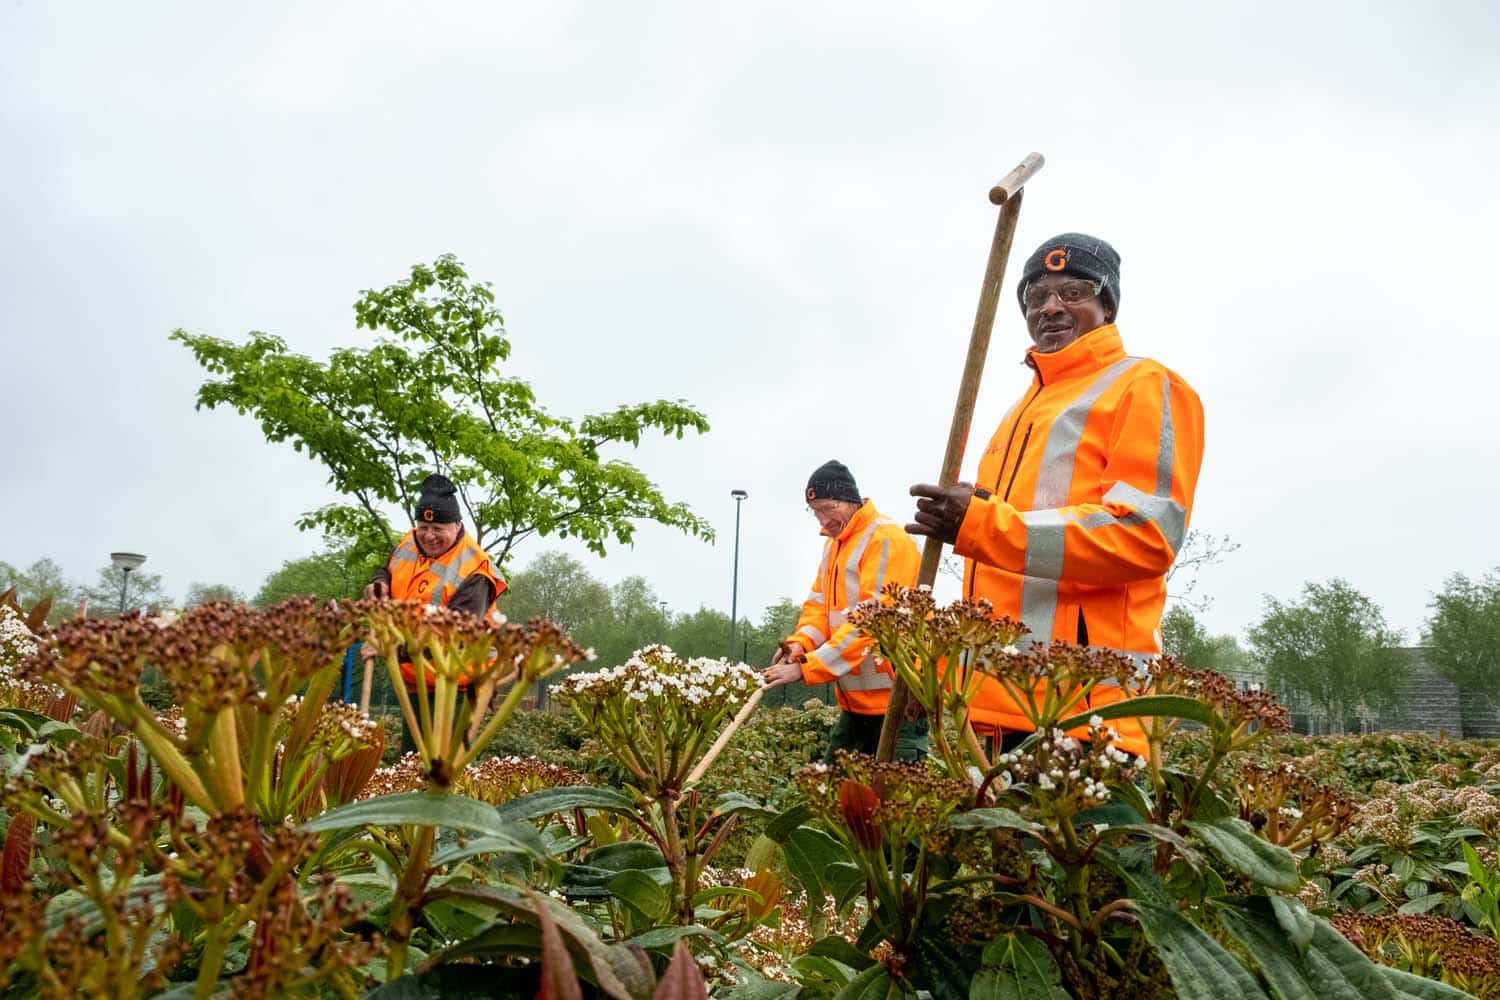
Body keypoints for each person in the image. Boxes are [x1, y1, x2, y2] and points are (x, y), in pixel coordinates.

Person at [908, 234, 1204, 759]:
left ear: (1106, 303)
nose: (1050, 307)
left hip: (1088, 716)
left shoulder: (1145, 385)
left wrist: (977, 524)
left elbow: (1144, 535)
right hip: (992, 711)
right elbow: (1001, 582)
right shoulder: (1020, 412)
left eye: (1073, 291)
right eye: (1035, 296)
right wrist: (937, 673)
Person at [762, 461, 928, 763]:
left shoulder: (886, 540)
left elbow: (869, 623)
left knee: (894, 804)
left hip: (899, 706)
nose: (822, 520)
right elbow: (818, 609)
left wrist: (806, 667)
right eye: (815, 511)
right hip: (857, 707)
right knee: (836, 800)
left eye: (828, 508)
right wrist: (800, 644)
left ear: (850, 500)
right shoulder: (834, 547)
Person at [363, 474, 507, 694]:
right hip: (413, 683)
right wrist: (380, 583)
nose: (429, 536)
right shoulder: (409, 541)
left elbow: (454, 637)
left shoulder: (476, 571)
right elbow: (388, 569)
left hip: (458, 688)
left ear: (457, 525)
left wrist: (386, 647)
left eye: (438, 529)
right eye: (423, 527)